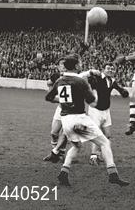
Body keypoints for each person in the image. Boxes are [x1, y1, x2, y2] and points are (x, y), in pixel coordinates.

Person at [45, 54, 129, 187]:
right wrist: (94, 90)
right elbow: (94, 103)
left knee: (76, 146)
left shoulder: (59, 81)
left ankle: (63, 173)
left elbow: (48, 97)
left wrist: (64, 101)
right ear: (77, 66)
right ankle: (113, 174)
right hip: (79, 120)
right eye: (80, 62)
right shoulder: (81, 82)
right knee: (105, 143)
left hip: (66, 120)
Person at [86, 62, 129, 165]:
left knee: (108, 135)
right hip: (95, 110)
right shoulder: (96, 77)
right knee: (96, 133)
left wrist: (123, 92)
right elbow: (89, 81)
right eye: (108, 68)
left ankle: (99, 153)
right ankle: (93, 156)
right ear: (103, 69)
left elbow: (119, 89)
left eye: (112, 69)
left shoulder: (112, 81)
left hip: (106, 111)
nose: (110, 70)